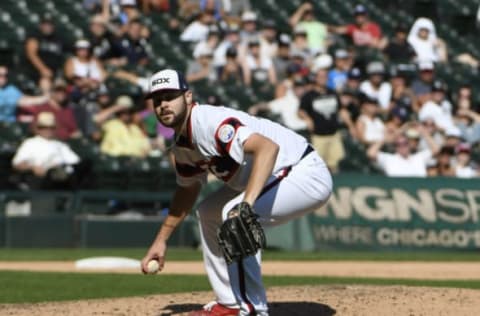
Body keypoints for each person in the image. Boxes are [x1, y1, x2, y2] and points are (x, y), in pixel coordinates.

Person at [140, 69, 332, 316]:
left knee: (236, 215)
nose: (163, 104)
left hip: (302, 170)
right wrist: (161, 239)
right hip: (273, 176)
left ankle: (251, 309)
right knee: (208, 211)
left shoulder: (209, 122)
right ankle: (229, 302)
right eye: (157, 100)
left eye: (170, 96)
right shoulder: (181, 146)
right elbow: (187, 190)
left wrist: (247, 205)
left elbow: (267, 148)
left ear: (188, 97)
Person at [11, 112, 82, 190]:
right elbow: (17, 163)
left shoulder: (60, 145)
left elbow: (75, 162)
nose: (47, 130)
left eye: (51, 127)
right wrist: (32, 168)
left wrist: (58, 165)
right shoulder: (30, 143)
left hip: (61, 182)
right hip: (39, 182)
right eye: (43, 127)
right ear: (37, 128)